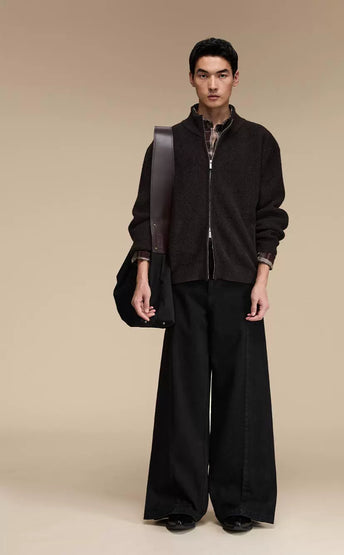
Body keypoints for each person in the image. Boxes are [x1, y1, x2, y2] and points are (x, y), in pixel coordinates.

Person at [127, 37, 289, 532]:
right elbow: (148, 217)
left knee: (243, 395)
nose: (212, 84)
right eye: (203, 74)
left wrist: (262, 279)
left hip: (239, 282)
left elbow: (270, 216)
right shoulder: (167, 144)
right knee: (184, 394)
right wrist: (144, 278)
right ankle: (181, 499)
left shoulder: (259, 142)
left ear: (235, 78)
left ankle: (239, 503)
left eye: (221, 74)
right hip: (185, 281)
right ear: (191, 79)